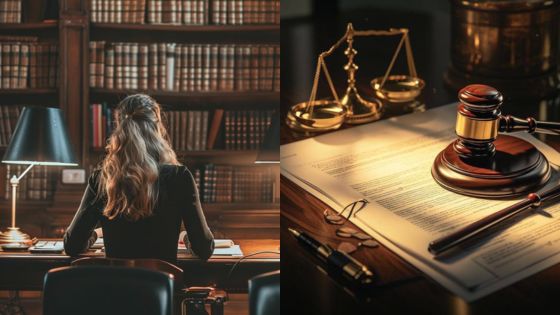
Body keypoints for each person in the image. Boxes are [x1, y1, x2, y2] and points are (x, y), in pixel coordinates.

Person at [64, 94, 214, 262]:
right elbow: (204, 248)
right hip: (162, 287)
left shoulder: (102, 178)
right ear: (157, 128)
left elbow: (72, 245)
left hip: (114, 287)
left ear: (119, 127)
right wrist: (185, 236)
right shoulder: (180, 177)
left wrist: (95, 234)